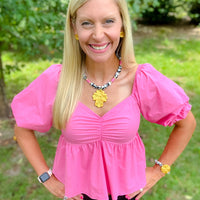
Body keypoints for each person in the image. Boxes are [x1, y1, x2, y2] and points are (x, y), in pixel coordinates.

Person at [11, 0, 196, 200]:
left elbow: (186, 123)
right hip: (76, 195)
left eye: (108, 21)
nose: (98, 35)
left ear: (122, 27)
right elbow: (22, 128)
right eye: (87, 23)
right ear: (74, 29)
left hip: (127, 194)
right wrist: (46, 176)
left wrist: (158, 170)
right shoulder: (57, 80)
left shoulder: (141, 79)